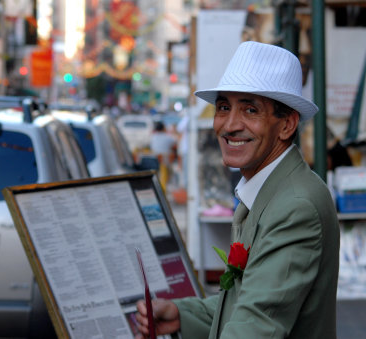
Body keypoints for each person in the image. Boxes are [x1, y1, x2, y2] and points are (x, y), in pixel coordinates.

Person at [135, 41, 340, 339]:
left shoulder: (295, 206)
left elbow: (256, 324)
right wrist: (184, 314)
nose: (229, 125)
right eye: (223, 107)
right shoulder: (269, 190)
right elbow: (247, 299)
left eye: (250, 110)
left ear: (286, 125)